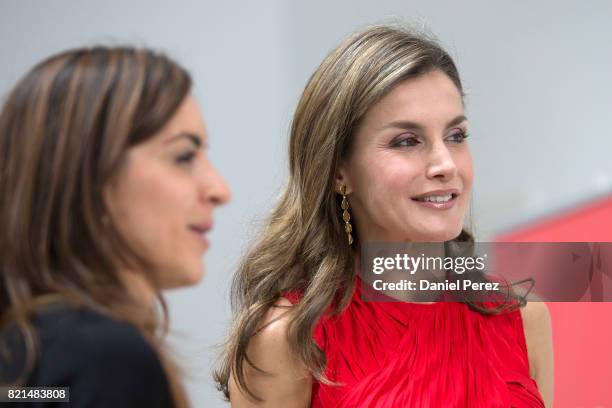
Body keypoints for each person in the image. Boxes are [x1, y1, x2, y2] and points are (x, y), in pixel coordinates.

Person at [215, 25, 553, 407]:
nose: (445, 164)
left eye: (456, 136)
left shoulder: (522, 317)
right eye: (406, 141)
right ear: (339, 170)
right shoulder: (287, 337)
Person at [0, 46, 230, 407]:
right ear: (91, 179)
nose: (220, 190)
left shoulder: (23, 349)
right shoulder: (106, 358)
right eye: (184, 156)